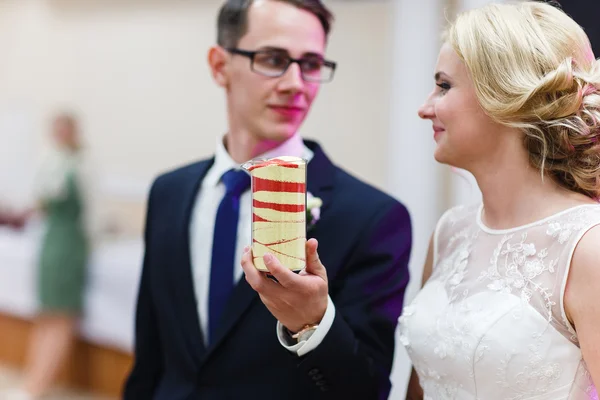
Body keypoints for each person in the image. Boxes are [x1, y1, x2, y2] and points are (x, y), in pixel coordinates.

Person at [123, 0, 412, 399]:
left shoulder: (373, 217)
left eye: (311, 64)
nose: (296, 83)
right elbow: (151, 355)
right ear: (219, 65)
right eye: (274, 59)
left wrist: (313, 323)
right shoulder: (169, 192)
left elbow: (367, 389)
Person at [400, 2, 600, 399]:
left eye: (443, 86)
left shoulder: (587, 246)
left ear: (503, 94)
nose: (425, 108)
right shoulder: (450, 233)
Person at [1, 113, 91, 400]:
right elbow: (39, 202)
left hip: (69, 245)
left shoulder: (82, 165)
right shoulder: (50, 163)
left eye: (65, 130)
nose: (60, 135)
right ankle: (32, 380)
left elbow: (91, 214)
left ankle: (37, 387)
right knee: (46, 313)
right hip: (51, 242)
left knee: (61, 315)